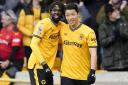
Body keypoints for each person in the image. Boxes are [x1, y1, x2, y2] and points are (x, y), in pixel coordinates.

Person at [27, 1, 66, 85]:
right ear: (50, 11)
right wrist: (44, 64)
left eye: (59, 10)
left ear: (62, 13)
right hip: (38, 65)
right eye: (54, 10)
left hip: (49, 66)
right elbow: (33, 44)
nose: (56, 12)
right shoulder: (43, 24)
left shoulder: (62, 26)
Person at [60, 3, 97, 85]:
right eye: (67, 15)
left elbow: (93, 53)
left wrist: (93, 71)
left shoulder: (88, 31)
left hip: (83, 75)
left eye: (73, 14)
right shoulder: (62, 29)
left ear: (78, 14)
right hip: (66, 74)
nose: (70, 18)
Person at [98, 4, 128, 71]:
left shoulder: (123, 22)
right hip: (111, 64)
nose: (118, 12)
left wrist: (121, 34)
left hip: (125, 62)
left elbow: (126, 35)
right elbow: (102, 42)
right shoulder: (103, 26)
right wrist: (113, 37)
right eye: (115, 11)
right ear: (109, 14)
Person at [0, 9, 24, 85]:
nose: (2, 21)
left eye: (3, 19)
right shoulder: (3, 30)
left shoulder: (16, 31)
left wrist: (8, 61)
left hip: (15, 63)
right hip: (2, 61)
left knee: (5, 80)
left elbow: (15, 49)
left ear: (10, 20)